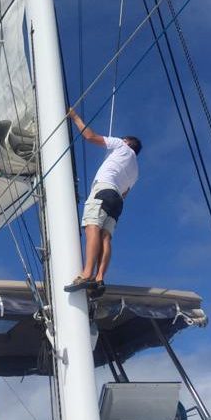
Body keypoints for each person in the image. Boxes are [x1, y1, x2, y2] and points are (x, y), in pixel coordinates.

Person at [65, 107, 142, 295]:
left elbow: (90, 136)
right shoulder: (135, 171)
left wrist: (74, 116)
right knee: (105, 236)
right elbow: (124, 194)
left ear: (126, 142)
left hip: (104, 190)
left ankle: (86, 274)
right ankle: (99, 278)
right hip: (117, 201)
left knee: (92, 228)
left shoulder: (120, 145)